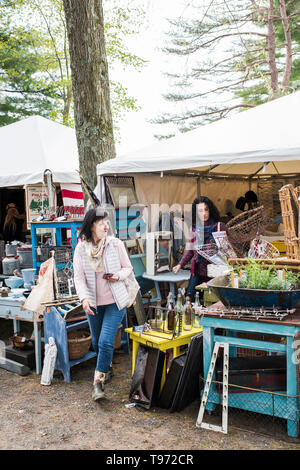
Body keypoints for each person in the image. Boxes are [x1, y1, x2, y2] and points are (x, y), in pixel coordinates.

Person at [73, 207, 133, 402]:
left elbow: (128, 268)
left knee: (106, 341)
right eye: (101, 223)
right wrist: (84, 298)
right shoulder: (81, 249)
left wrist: (117, 276)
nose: (106, 226)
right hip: (93, 304)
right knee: (98, 343)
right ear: (91, 226)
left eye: (107, 223)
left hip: (115, 302)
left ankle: (97, 384)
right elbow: (79, 278)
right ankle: (107, 368)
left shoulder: (115, 244)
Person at [173, 196, 227, 302]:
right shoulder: (193, 228)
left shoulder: (220, 227)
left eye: (206, 209)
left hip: (216, 270)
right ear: (196, 213)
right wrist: (180, 264)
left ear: (210, 210)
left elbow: (227, 248)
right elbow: (190, 251)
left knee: (215, 301)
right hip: (198, 270)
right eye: (200, 211)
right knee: (190, 300)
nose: (204, 213)